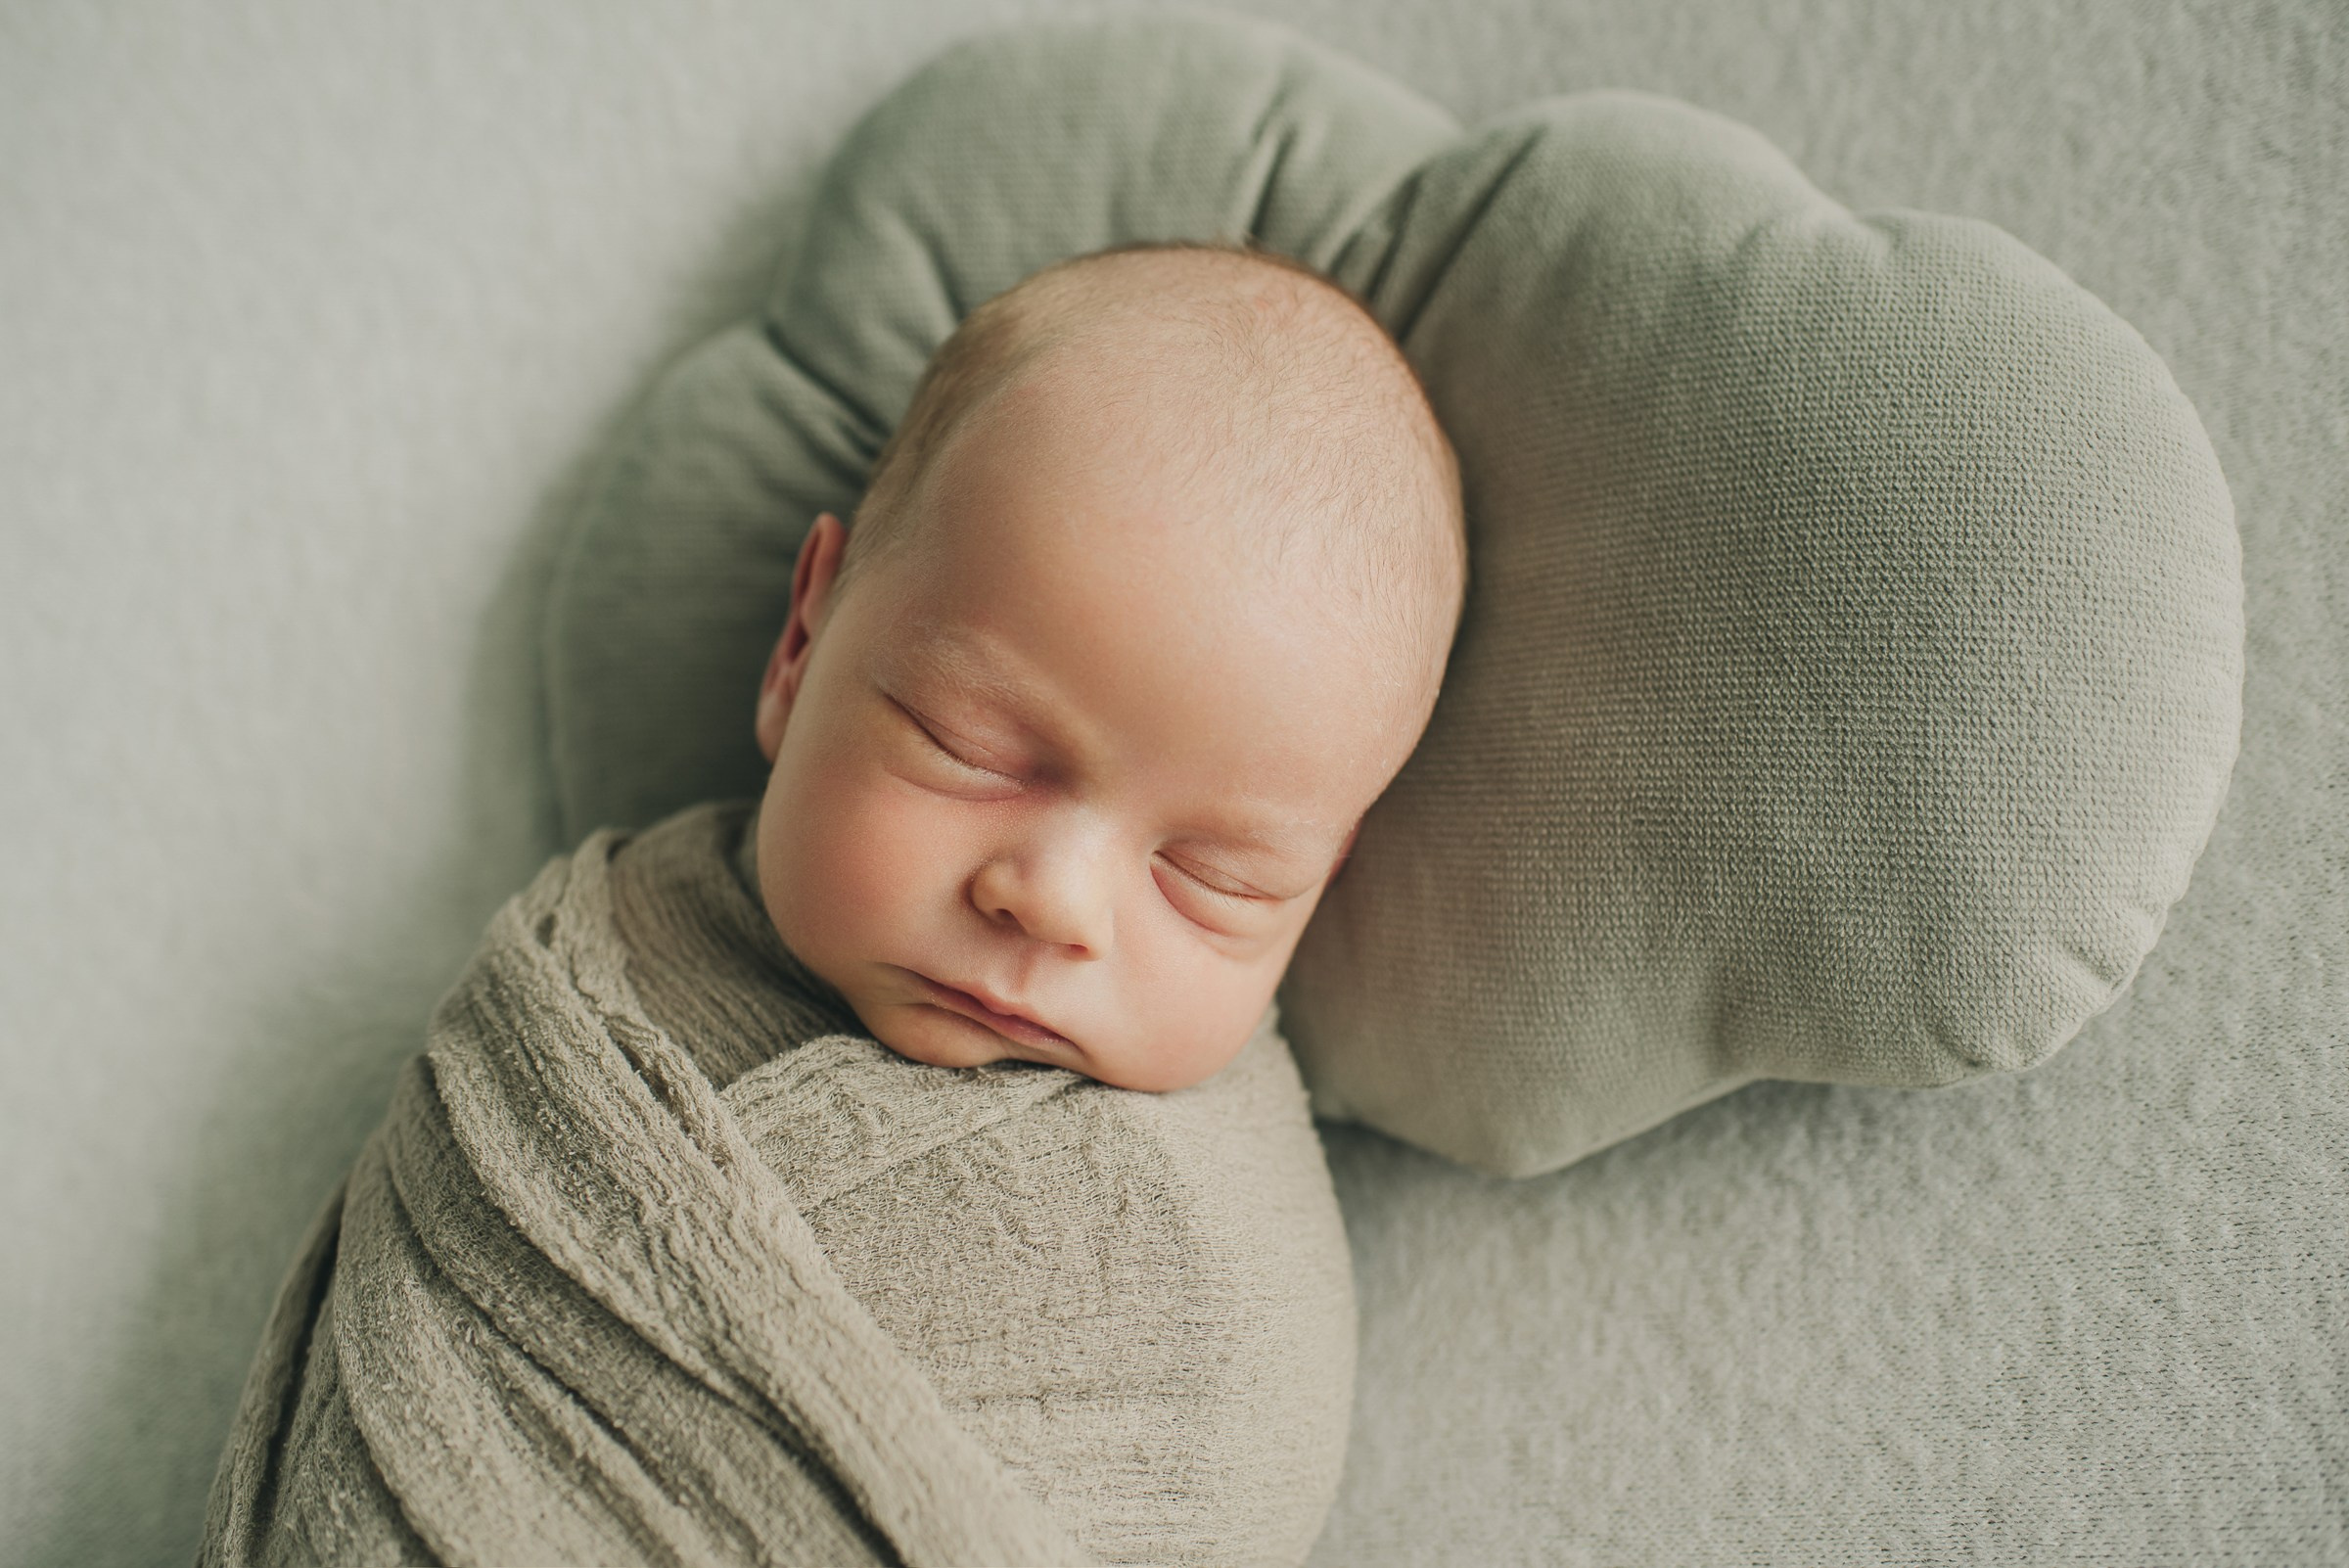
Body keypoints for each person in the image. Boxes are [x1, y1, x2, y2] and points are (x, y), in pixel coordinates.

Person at [745, 238, 1467, 1092]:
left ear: (1324, 874)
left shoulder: (1214, 1205)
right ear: (802, 642)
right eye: (965, 747)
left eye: (1216, 877)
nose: (1057, 904)